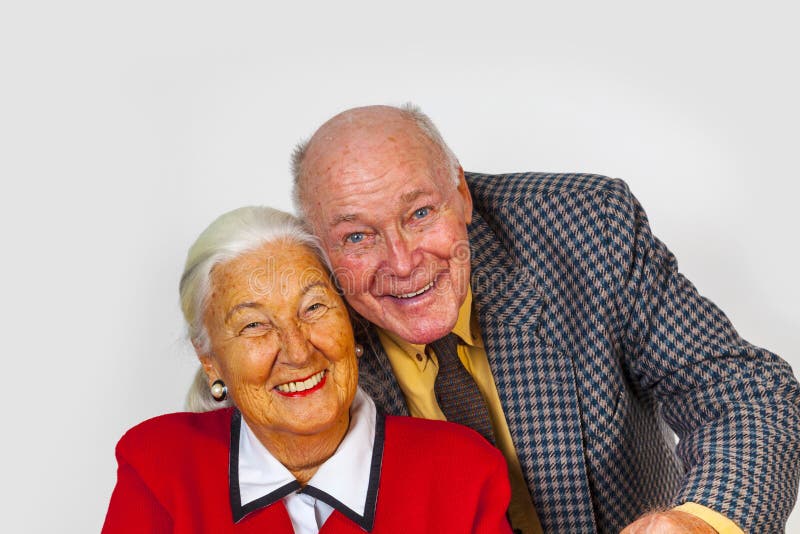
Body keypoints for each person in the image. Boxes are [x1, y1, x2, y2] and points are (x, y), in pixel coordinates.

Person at [290, 104, 800, 533]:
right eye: (357, 237)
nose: (402, 264)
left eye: (420, 213)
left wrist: (701, 522)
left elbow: (745, 394)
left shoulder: (587, 226)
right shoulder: (296, 314)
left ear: (462, 195)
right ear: (318, 248)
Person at [102, 206, 513, 533]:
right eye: (254, 326)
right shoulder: (159, 466)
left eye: (314, 308)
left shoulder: (461, 471)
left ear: (350, 323)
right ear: (209, 360)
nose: (298, 352)